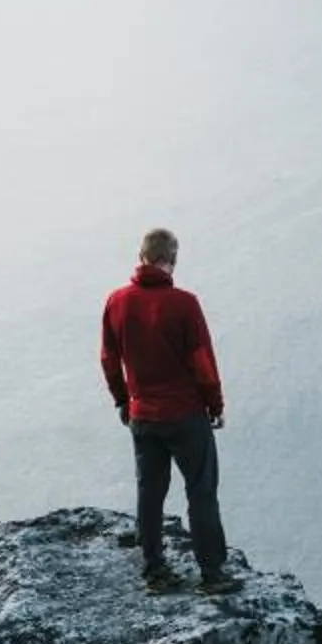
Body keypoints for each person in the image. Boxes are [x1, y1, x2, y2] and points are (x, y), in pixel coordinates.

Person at [100, 226, 237, 593]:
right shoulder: (184, 304)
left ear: (140, 257)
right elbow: (202, 362)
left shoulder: (116, 301)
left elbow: (109, 359)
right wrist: (215, 405)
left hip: (143, 416)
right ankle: (212, 574)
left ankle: (155, 570)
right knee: (201, 491)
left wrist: (122, 401)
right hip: (185, 415)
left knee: (150, 492)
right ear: (172, 261)